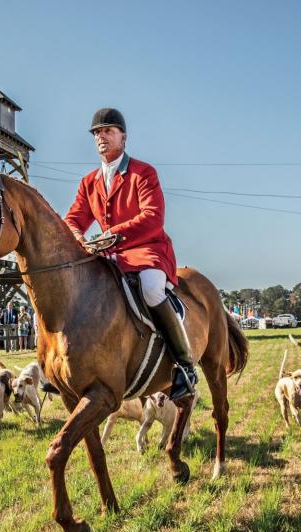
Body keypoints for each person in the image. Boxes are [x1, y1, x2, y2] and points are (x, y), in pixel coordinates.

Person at [63, 107, 196, 399]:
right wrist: (78, 239)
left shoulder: (143, 172)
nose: (102, 137)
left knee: (150, 289)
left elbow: (153, 216)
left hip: (147, 249)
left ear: (123, 137)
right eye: (98, 132)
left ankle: (184, 365)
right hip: (108, 255)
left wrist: (111, 236)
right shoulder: (88, 182)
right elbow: (74, 219)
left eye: (108, 131)